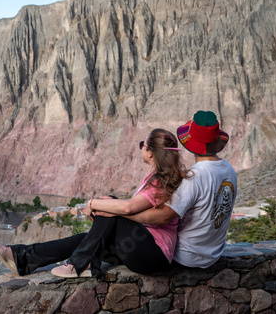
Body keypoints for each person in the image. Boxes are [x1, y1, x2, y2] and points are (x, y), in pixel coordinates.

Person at [0, 128, 190, 278]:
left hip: (151, 254)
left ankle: (77, 264)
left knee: (110, 205)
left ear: (150, 152)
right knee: (87, 238)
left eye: (142, 145)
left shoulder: (160, 182)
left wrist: (94, 203)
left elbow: (128, 208)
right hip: (140, 247)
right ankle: (21, 256)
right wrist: (104, 206)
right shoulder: (162, 177)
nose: (141, 149)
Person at [97, 110, 237, 268]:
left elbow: (163, 217)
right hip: (212, 254)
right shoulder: (229, 170)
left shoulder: (195, 177)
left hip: (186, 255)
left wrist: (122, 213)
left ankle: (82, 260)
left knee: (113, 208)